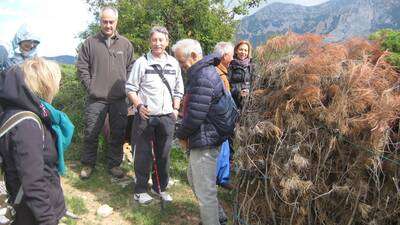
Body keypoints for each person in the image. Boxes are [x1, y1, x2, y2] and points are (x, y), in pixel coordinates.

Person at [0, 58, 70, 225]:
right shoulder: (27, 124)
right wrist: (48, 220)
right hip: (33, 215)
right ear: (45, 85)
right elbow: (33, 182)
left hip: (32, 209)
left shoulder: (17, 112)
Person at [126, 26, 184, 204]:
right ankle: (141, 190)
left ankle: (160, 187)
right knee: (143, 154)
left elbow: (178, 89)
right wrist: (138, 105)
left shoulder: (174, 63)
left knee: (163, 154)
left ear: (167, 42)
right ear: (150, 42)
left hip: (167, 117)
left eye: (161, 40)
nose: (158, 43)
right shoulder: (142, 62)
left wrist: (175, 109)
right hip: (145, 116)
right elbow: (130, 88)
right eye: (154, 40)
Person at [173, 39, 228, 225]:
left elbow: (195, 115)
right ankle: (217, 215)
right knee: (194, 178)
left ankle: (212, 220)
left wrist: (180, 135)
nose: (181, 66)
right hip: (205, 136)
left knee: (205, 191)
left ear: (194, 56)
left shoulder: (203, 76)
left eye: (182, 61)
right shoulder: (202, 72)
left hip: (206, 139)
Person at [77, 6, 135, 179]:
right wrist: (91, 87)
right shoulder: (90, 43)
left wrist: (127, 88)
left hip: (119, 99)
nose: (108, 25)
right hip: (96, 98)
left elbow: (132, 68)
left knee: (118, 133)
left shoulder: (125, 44)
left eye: (111, 22)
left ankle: (114, 165)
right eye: (105, 21)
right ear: (100, 21)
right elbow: (81, 68)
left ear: (116, 22)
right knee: (91, 132)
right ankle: (88, 164)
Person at [213, 42, 235, 190]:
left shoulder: (222, 72)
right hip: (220, 119)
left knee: (224, 148)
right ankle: (217, 178)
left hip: (223, 119)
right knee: (220, 148)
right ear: (224, 56)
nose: (233, 57)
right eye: (231, 54)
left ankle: (222, 178)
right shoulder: (218, 74)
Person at [228, 40, 253, 109]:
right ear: (236, 51)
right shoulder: (231, 65)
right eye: (241, 49)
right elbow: (226, 86)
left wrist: (249, 91)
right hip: (233, 102)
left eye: (246, 50)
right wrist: (239, 92)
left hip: (248, 103)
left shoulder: (251, 66)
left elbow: (255, 83)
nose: (243, 52)